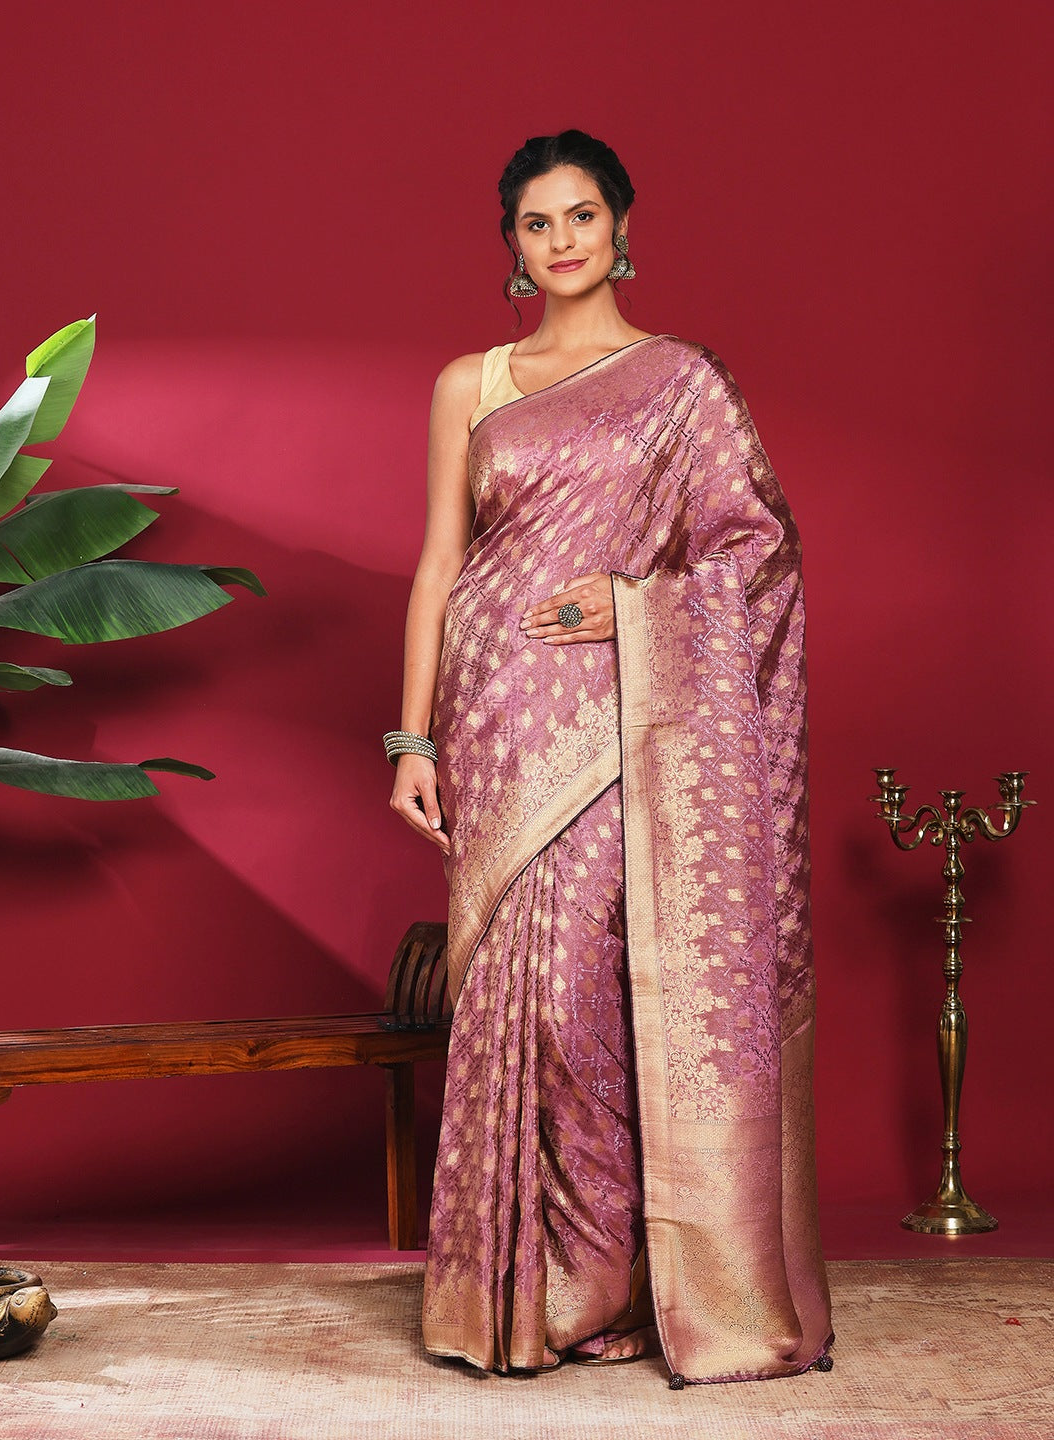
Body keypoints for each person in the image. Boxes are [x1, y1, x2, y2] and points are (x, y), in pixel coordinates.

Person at [386, 128, 833, 1386]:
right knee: (506, 1001)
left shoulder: (681, 382)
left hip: (620, 722)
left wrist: (635, 604)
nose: (563, 239)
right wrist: (412, 737)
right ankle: (506, 1297)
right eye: (537, 223)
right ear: (512, 246)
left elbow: (758, 550)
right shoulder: (471, 383)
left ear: (622, 225)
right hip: (493, 722)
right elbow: (440, 562)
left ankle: (599, 1284)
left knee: (584, 991)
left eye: (582, 214)